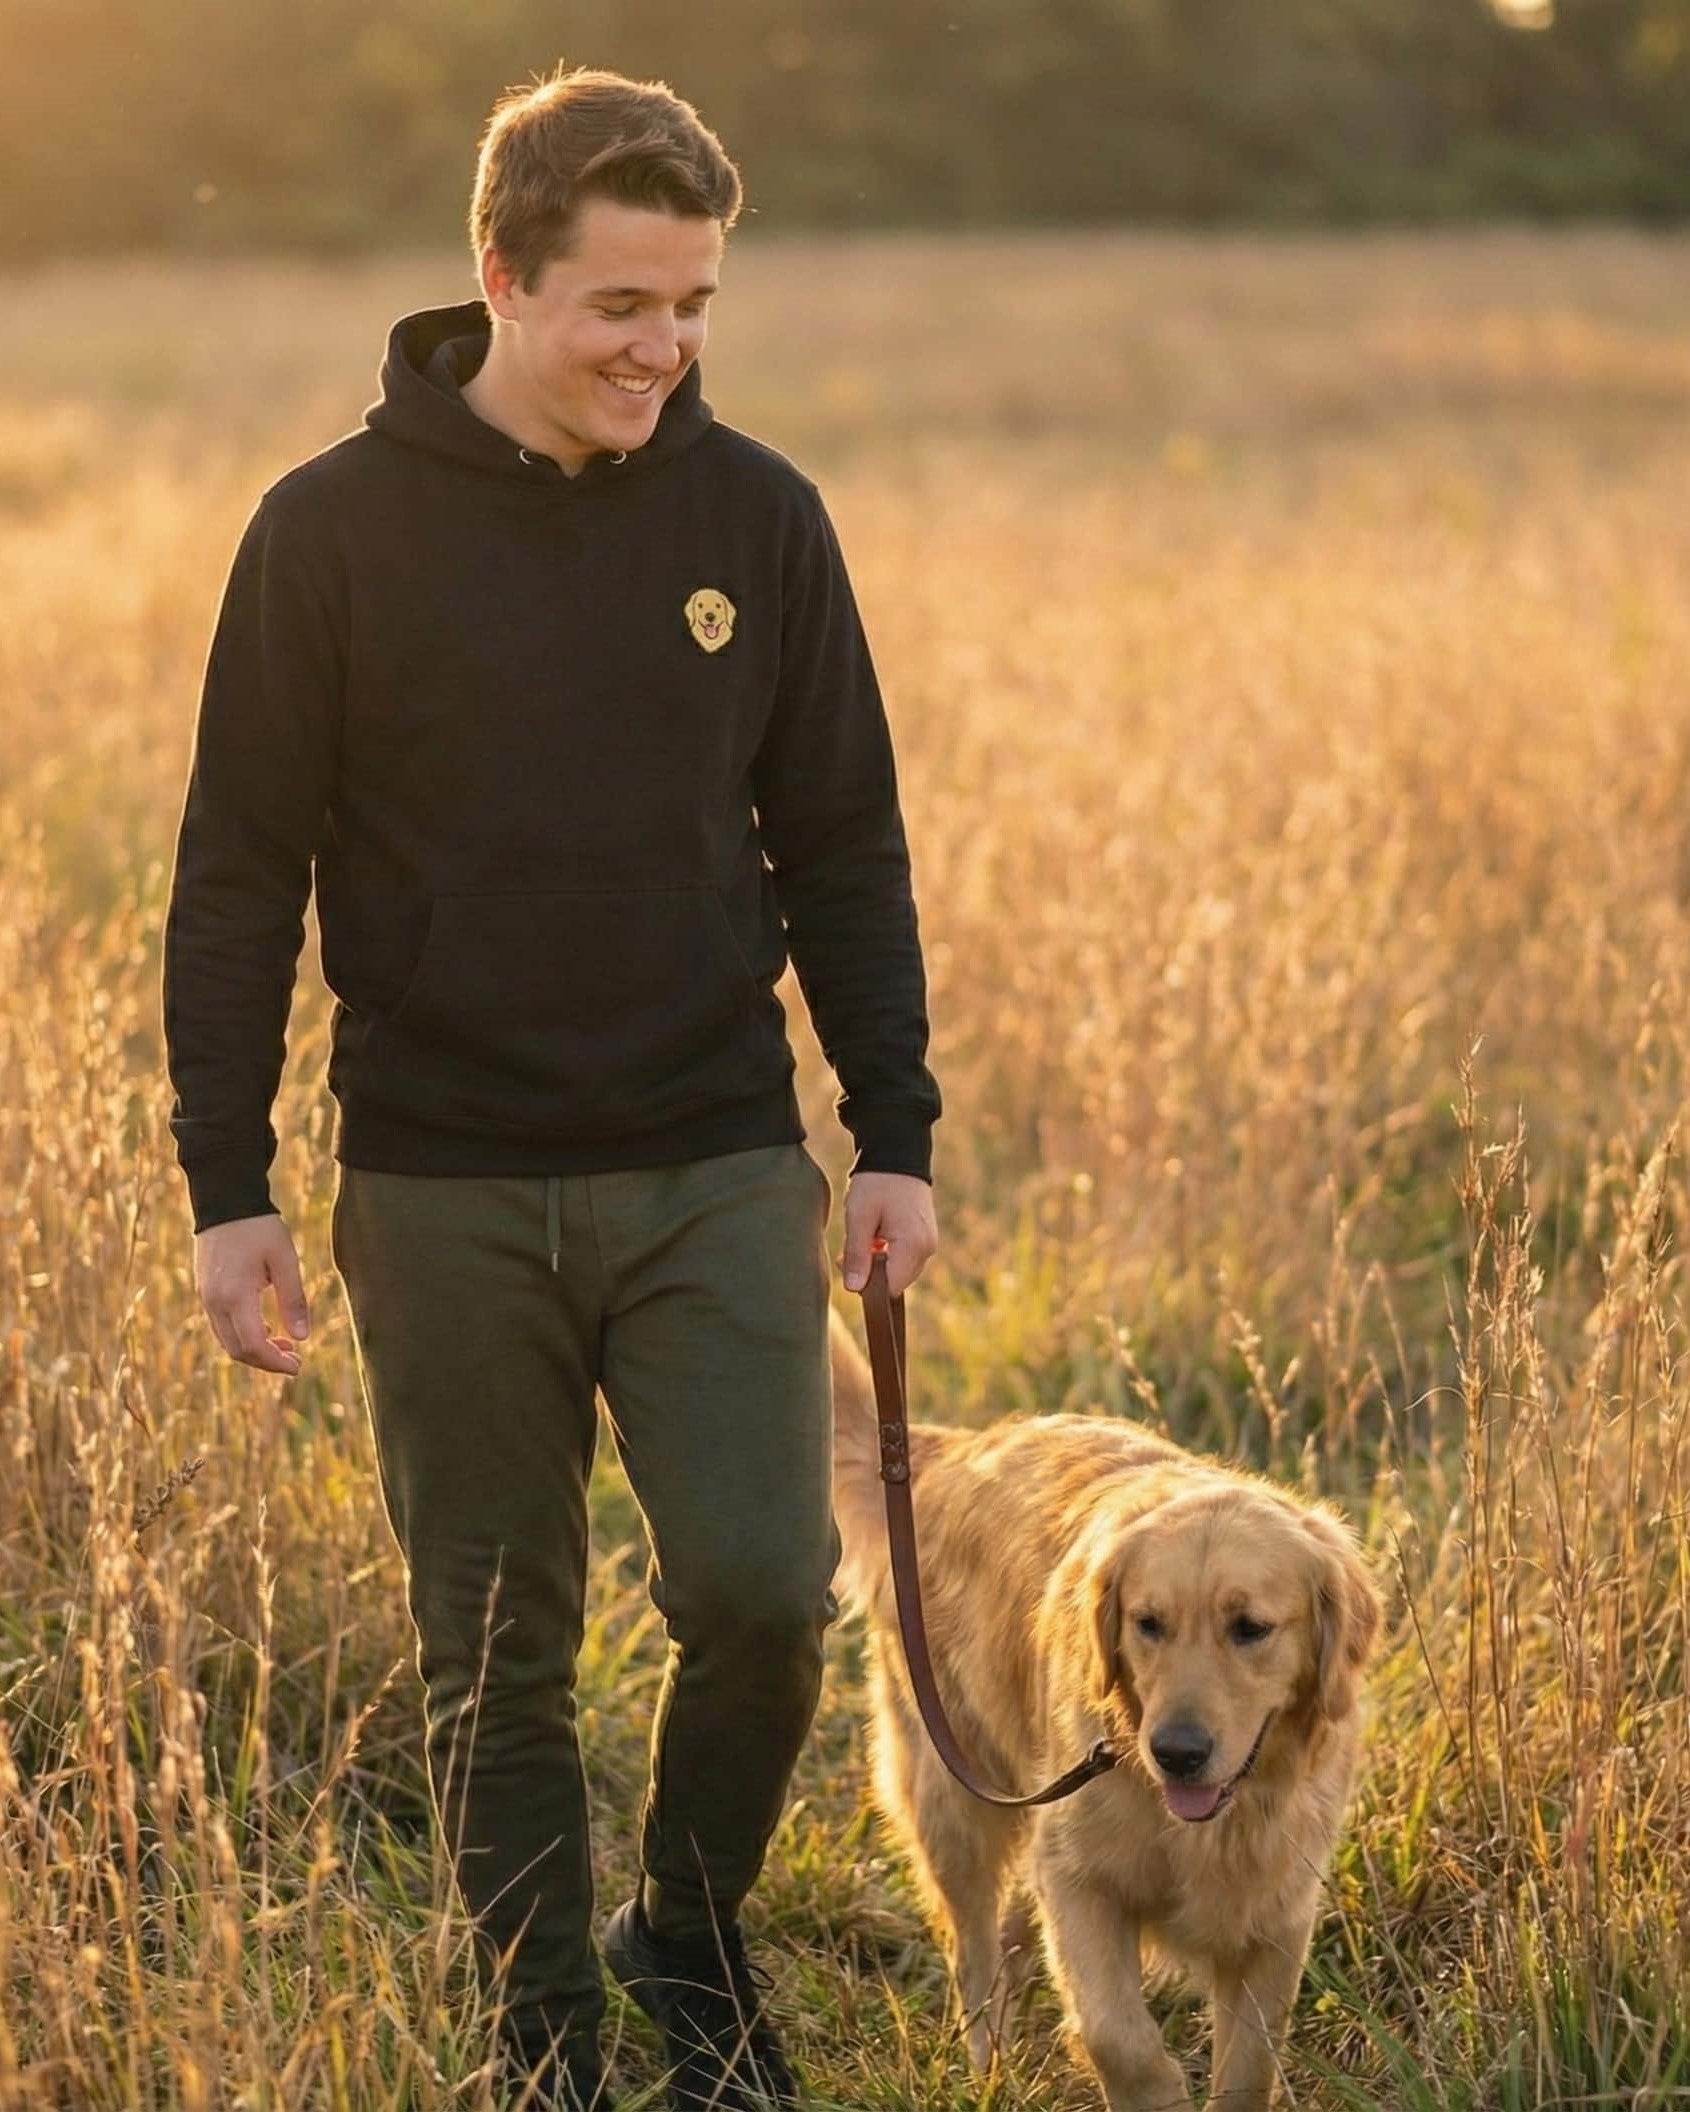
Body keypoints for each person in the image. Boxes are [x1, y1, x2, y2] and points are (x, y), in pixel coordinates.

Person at [161, 62, 942, 2112]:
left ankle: (683, 1941)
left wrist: (896, 1133)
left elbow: (841, 840)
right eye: (621, 307)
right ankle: (540, 2035)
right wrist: (225, 1186)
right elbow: (236, 876)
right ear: (500, 277)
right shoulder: (322, 536)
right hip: (439, 1179)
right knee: (492, 1647)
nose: (662, 351)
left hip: (709, 1155)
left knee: (768, 1592)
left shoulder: (754, 516)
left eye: (692, 306)